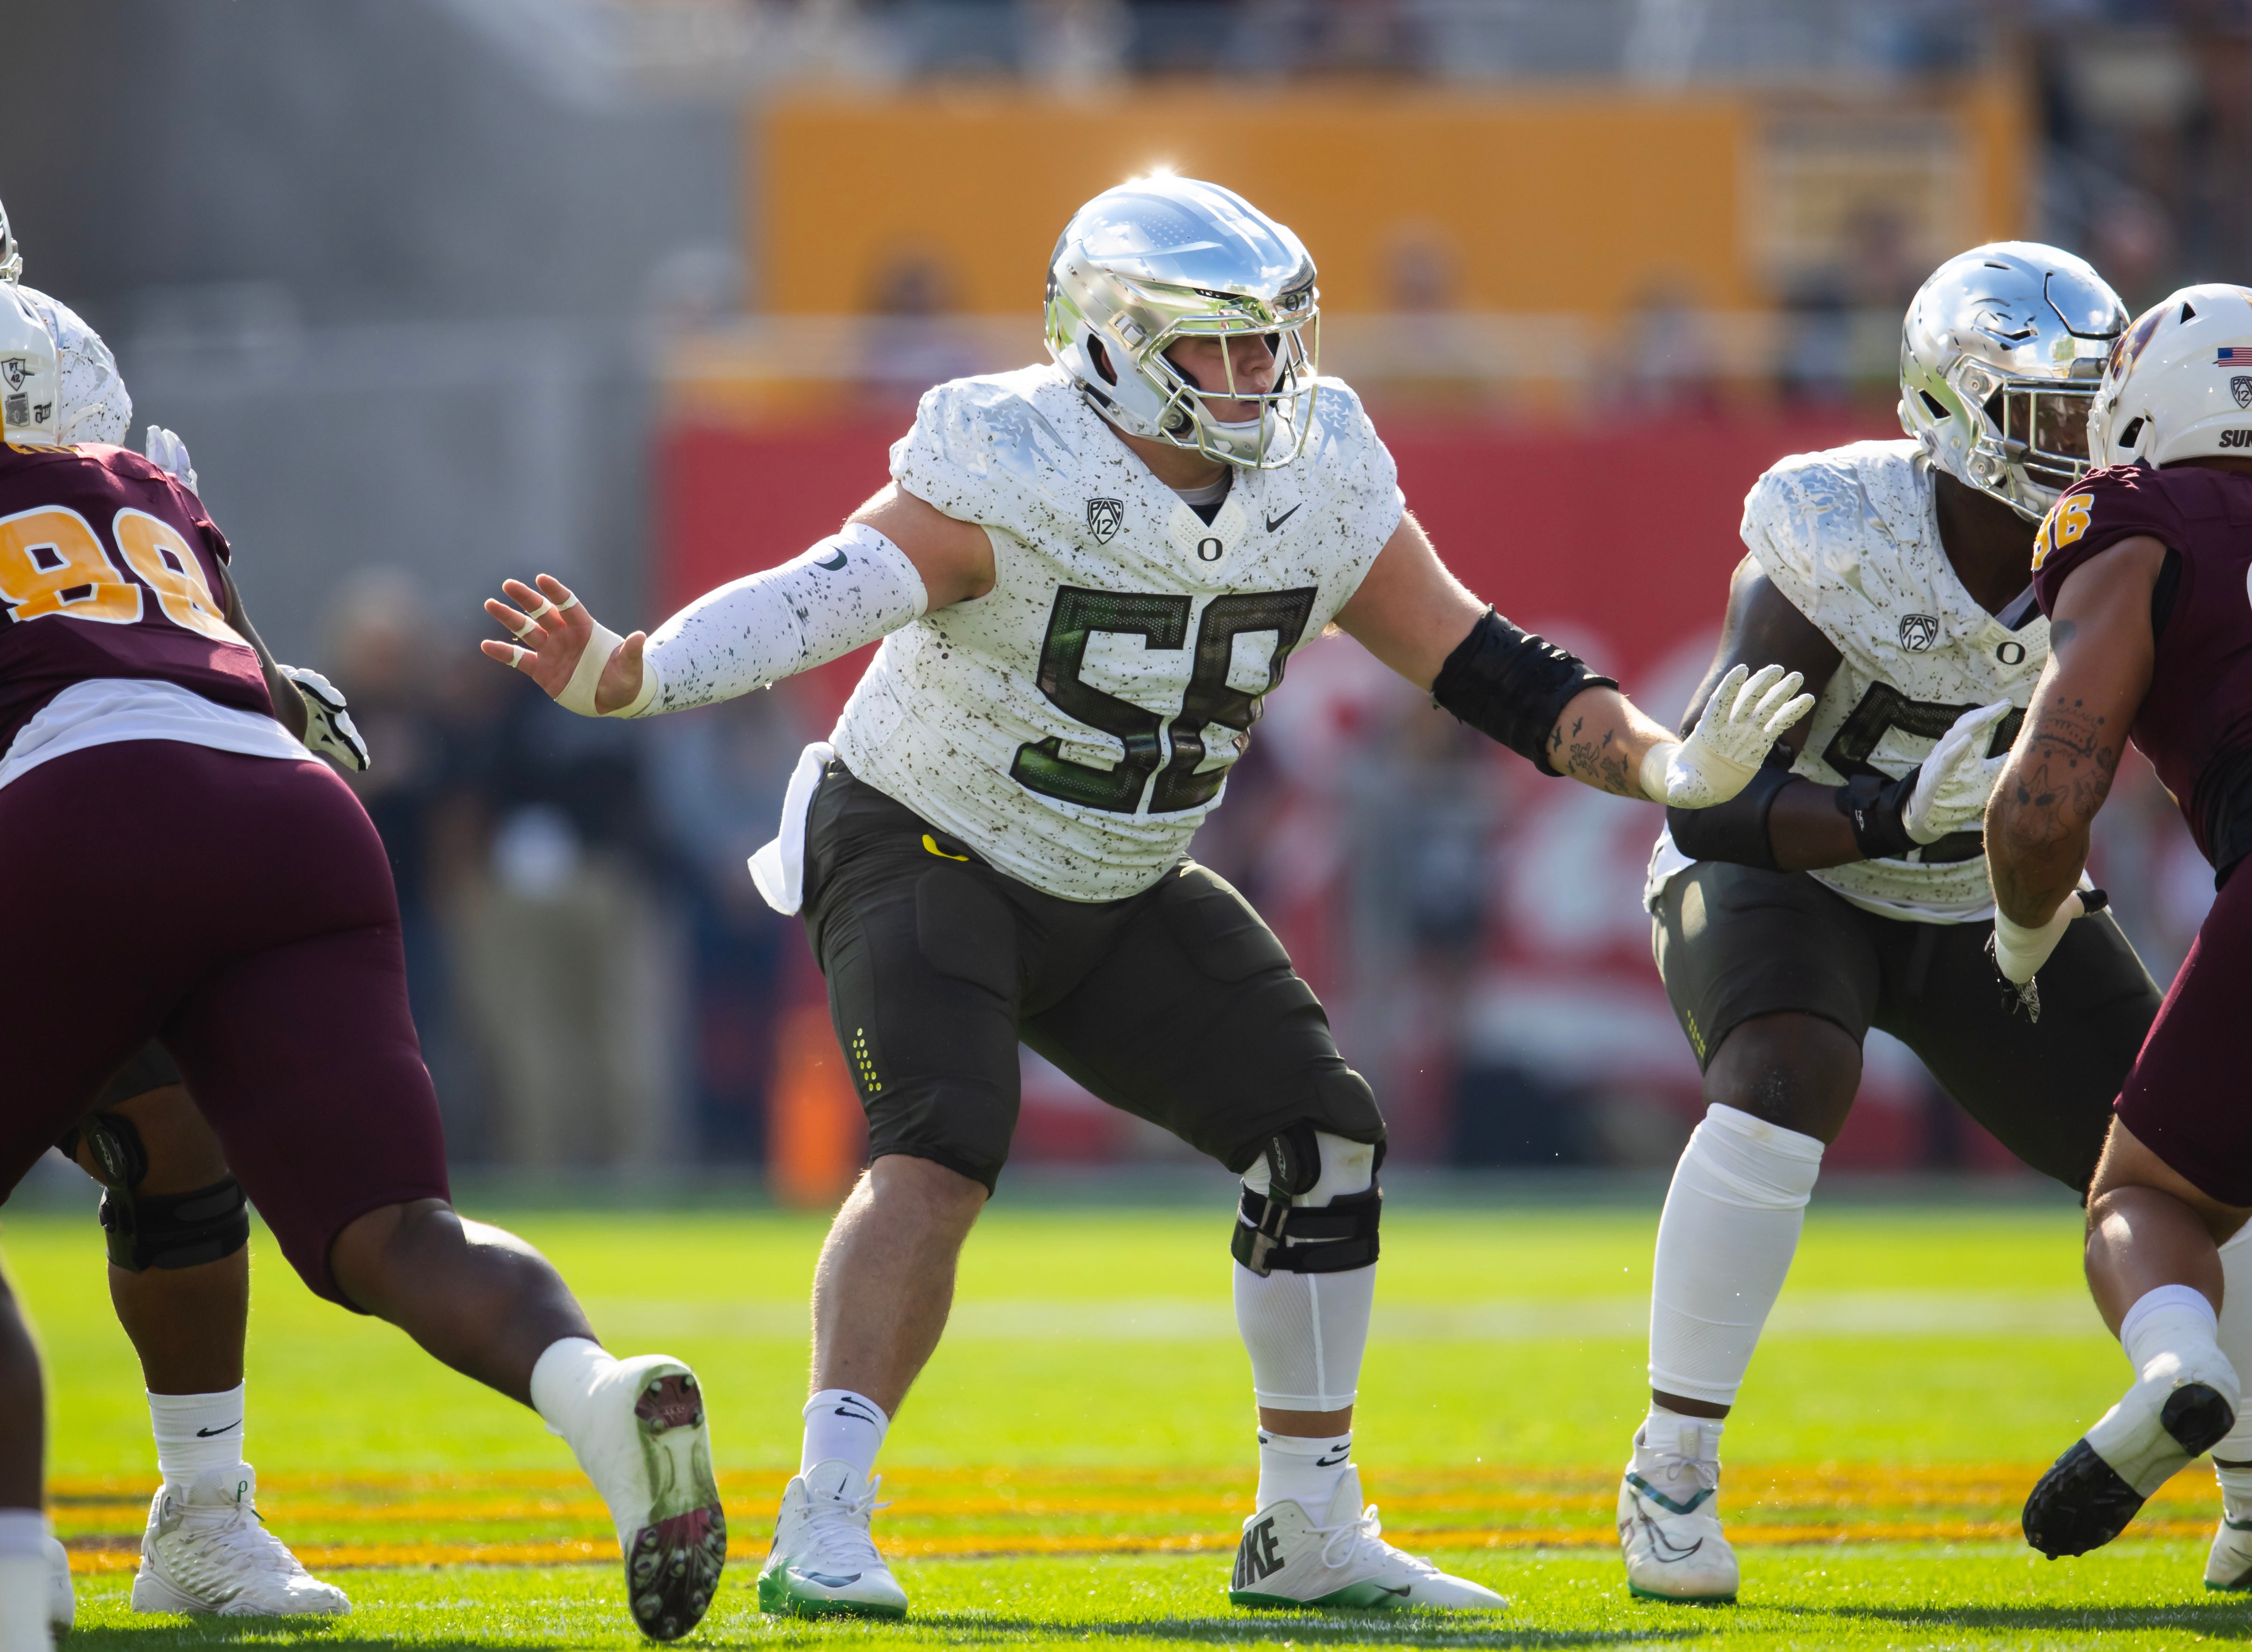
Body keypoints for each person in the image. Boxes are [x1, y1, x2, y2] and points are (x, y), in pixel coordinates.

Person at [481, 174, 1811, 1618]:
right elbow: (825, 591)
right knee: (939, 1146)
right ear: (1112, 341)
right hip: (927, 835)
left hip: (1118, 872)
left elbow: (1488, 665)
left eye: (1269, 341)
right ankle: (826, 1515)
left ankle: (1307, 1527)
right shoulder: (1012, 451)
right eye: (1216, 347)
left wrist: (1670, 762)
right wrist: (635, 672)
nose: (1258, 377)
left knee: (1324, 1138)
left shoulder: (1321, 464)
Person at [0, 267, 724, 1647]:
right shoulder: (148, 495)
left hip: (81, 811)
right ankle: (585, 1391)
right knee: (371, 1223)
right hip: (289, 816)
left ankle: (16, 1570)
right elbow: (276, 695)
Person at [1615, 244, 2243, 1603]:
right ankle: (1671, 1469)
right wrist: (1888, 816)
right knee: (1787, 1073)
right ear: (1947, 407)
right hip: (1800, 876)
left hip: (1989, 895)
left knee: (2192, 1163)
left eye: (2094, 407)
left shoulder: (2133, 535)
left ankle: (2249, 1493)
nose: (2075, 442)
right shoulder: (1840, 519)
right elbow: (1717, 811)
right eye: (2041, 414)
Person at [1992, 283, 2252, 1573]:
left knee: (2149, 1193)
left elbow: (2046, 801)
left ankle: (2177, 1366)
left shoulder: (2137, 511)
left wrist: (2025, 932)